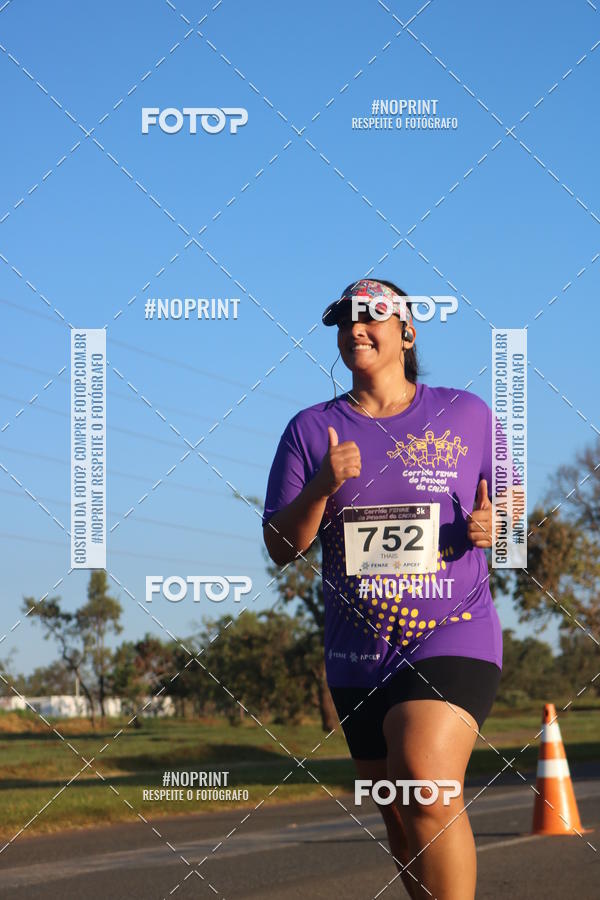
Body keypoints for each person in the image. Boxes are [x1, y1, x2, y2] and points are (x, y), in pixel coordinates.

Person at [262, 278, 502, 899]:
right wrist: (320, 484)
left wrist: (497, 526)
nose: (356, 330)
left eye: (371, 317)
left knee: (424, 783)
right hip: (357, 651)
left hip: (453, 628)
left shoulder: (467, 413)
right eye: (345, 322)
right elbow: (281, 549)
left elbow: (512, 512)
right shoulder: (311, 430)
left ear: (406, 332)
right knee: (398, 816)